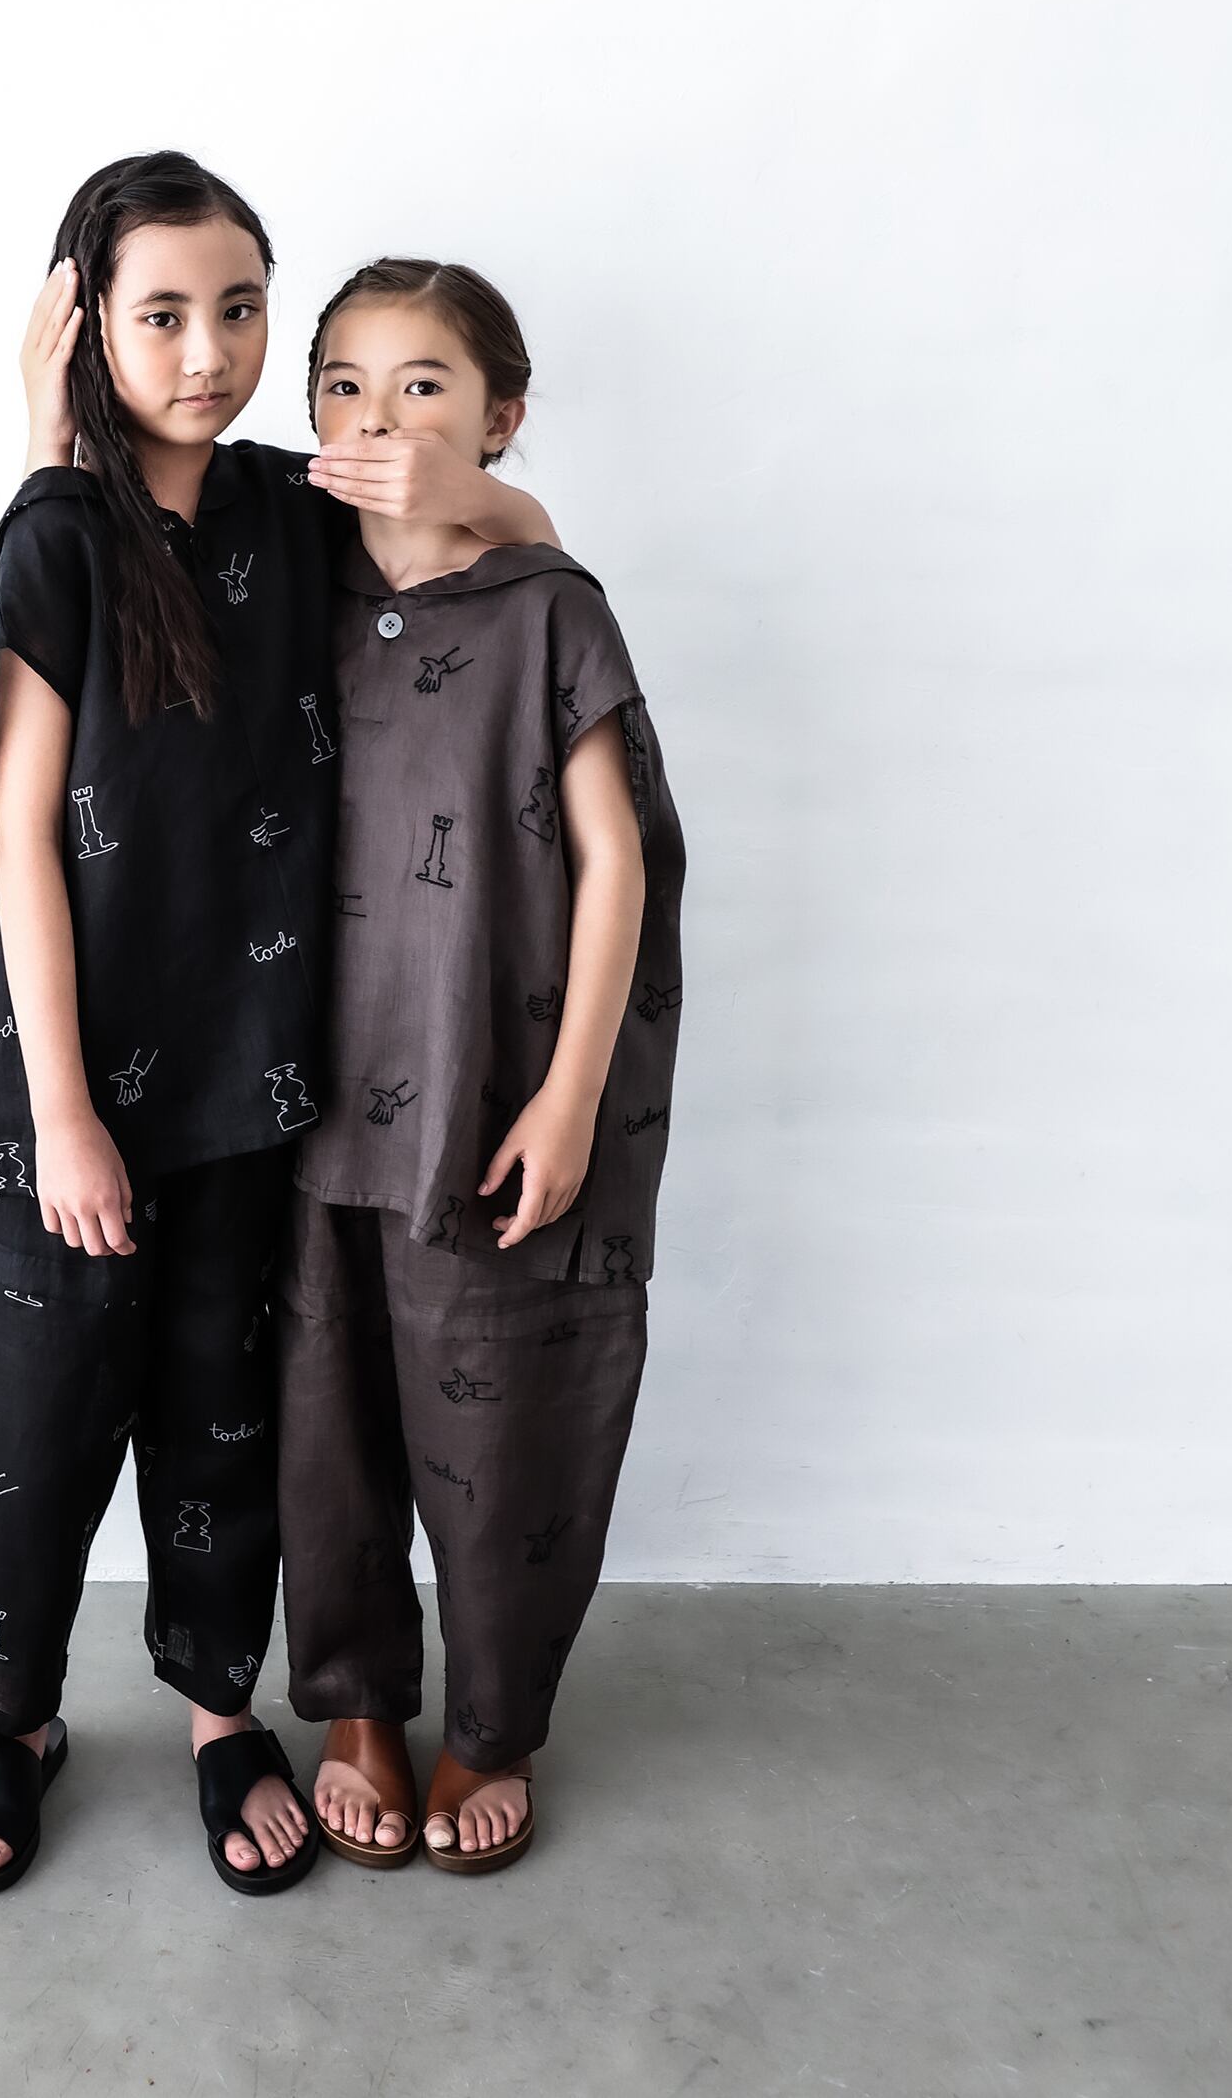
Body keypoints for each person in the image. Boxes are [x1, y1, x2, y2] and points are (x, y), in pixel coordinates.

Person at [0, 160, 561, 1894]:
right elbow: (19, 830)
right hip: (57, 1068)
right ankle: (14, 1721)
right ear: (86, 327)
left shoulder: (289, 501)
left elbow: (520, 552)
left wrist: (474, 485)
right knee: (28, 1411)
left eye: (240, 307)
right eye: (161, 314)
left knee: (222, 1411)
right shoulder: (57, 532)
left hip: (249, 1066)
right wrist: (62, 1110)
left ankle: (218, 1710)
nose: (208, 351)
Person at [274, 259, 686, 1872]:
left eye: (422, 385)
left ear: (501, 415)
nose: (377, 419)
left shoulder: (548, 608)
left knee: (506, 1424)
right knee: (319, 1422)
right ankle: (356, 1706)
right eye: (343, 384)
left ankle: (493, 1724)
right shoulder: (279, 583)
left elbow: (617, 860)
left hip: (484, 1088)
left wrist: (570, 1093)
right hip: (301, 1095)